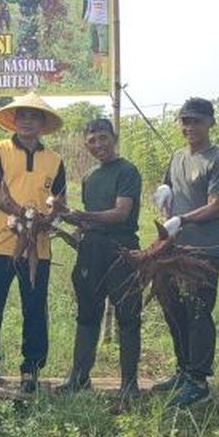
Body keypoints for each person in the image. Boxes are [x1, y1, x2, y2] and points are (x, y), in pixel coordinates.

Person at [0, 92, 67, 393]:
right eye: (22, 116)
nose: (28, 121)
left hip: (38, 246)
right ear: (14, 120)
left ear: (42, 123)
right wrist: (20, 212)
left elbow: (59, 199)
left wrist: (48, 215)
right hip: (2, 241)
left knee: (35, 307)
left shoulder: (55, 160)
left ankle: (31, 368)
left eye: (34, 116)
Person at [152, 97, 219, 407]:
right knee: (174, 309)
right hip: (174, 248)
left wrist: (183, 218)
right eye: (185, 121)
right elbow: (168, 188)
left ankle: (199, 381)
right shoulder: (177, 157)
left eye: (196, 121)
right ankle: (183, 369)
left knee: (198, 312)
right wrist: (164, 195)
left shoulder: (218, 161)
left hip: (204, 250)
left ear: (210, 123)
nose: (190, 127)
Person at [59, 118, 142, 401]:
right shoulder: (89, 176)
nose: (98, 145)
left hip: (121, 248)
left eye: (103, 138)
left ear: (114, 138)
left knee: (128, 316)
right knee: (87, 313)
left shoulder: (128, 171)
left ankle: (129, 384)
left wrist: (82, 216)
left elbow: (120, 214)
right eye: (92, 141)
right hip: (91, 249)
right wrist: (70, 218)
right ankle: (79, 377)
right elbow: (89, 218)